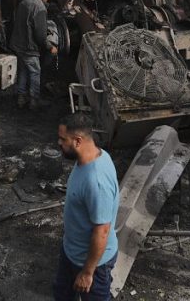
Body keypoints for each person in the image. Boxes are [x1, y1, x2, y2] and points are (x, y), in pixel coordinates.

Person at [54, 113, 119, 301]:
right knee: (62, 294)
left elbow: (102, 231)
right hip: (71, 252)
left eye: (62, 139)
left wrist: (87, 273)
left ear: (78, 141)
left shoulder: (96, 181)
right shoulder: (92, 156)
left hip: (92, 264)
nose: (59, 143)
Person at [10, 0, 58, 109]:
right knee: (35, 72)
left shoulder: (26, 0)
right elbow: (40, 36)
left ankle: (21, 98)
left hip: (17, 44)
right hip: (29, 48)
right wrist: (50, 47)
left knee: (23, 70)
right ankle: (34, 101)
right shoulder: (40, 8)